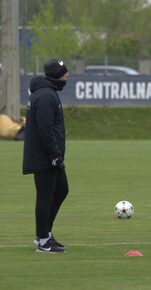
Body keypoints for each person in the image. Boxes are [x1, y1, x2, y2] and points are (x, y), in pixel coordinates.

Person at [23, 58, 69, 253]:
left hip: (50, 155)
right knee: (45, 197)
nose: (67, 76)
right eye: (65, 73)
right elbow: (45, 130)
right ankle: (43, 241)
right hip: (44, 157)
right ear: (57, 75)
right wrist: (54, 154)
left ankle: (45, 234)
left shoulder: (48, 93)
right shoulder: (45, 96)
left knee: (61, 190)